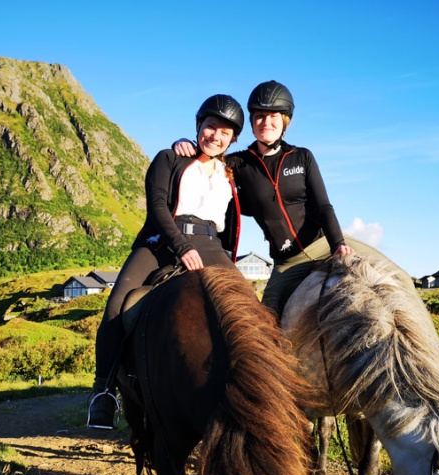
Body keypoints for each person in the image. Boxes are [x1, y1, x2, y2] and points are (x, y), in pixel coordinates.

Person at [87, 94, 245, 429]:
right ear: (198, 125)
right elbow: (157, 206)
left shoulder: (231, 174)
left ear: (232, 139)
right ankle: (103, 392)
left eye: (225, 132)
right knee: (116, 307)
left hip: (211, 245)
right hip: (163, 239)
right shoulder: (169, 158)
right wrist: (181, 245)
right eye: (210, 126)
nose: (215, 135)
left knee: (250, 311)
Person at [175, 80, 370, 316]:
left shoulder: (302, 157)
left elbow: (323, 206)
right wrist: (185, 144)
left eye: (273, 117)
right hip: (287, 262)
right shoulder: (239, 163)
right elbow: (209, 153)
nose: (266, 123)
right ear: (252, 122)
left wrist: (338, 244)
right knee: (266, 322)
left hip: (323, 244)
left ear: (285, 122)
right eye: (259, 116)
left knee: (393, 277)